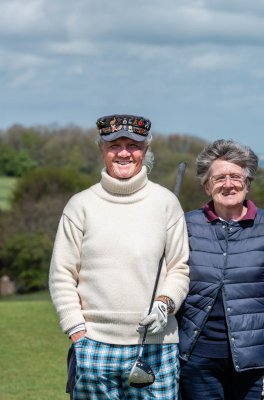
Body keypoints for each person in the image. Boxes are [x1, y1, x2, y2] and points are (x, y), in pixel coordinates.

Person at [49, 114, 190, 399]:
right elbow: (62, 274)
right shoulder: (80, 205)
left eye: (133, 145)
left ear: (145, 150)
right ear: (102, 149)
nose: (124, 153)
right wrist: (77, 331)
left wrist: (164, 304)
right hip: (94, 346)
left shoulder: (166, 203)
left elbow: (179, 269)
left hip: (157, 346)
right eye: (115, 145)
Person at [178, 139, 264, 400]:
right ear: (206, 185)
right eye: (219, 177)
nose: (228, 184)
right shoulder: (185, 225)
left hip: (257, 365)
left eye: (236, 176)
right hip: (197, 364)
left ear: (248, 182)